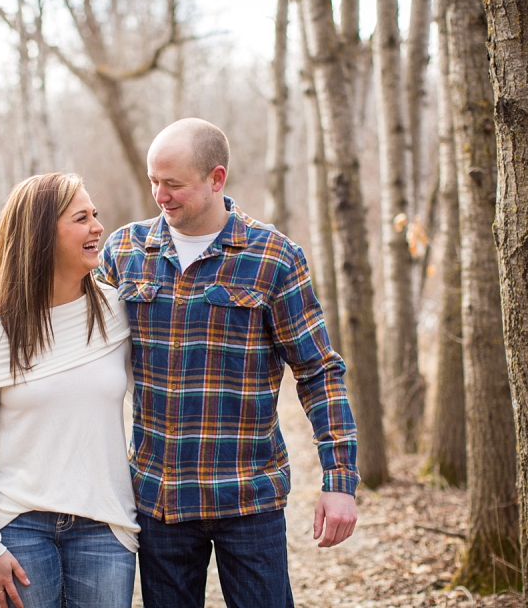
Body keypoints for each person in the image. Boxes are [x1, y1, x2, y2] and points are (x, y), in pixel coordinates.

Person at [98, 118, 359, 608]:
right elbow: (78, 352)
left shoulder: (273, 257)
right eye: (154, 181)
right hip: (161, 500)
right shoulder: (125, 252)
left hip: (249, 498)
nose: (160, 195)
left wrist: (339, 481)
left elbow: (319, 373)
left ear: (216, 179)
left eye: (173, 184)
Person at [0, 173, 139, 608]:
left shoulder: (114, 309)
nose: (97, 227)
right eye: (81, 218)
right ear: (40, 235)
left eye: (95, 215)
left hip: (104, 524)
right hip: (17, 525)